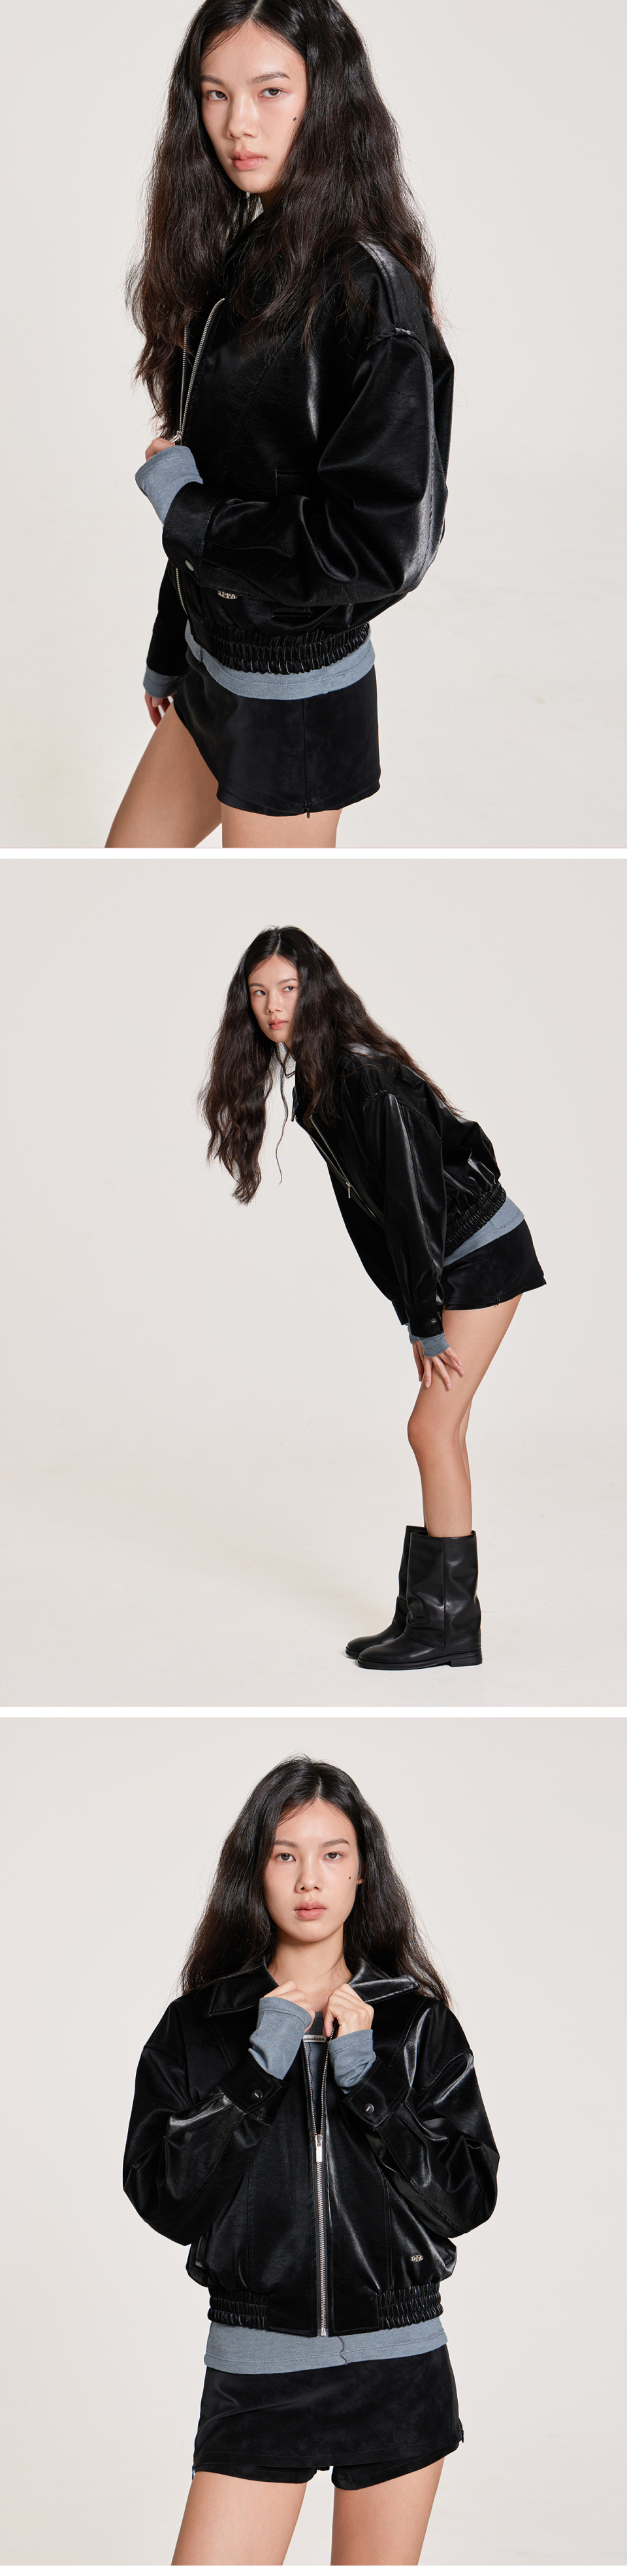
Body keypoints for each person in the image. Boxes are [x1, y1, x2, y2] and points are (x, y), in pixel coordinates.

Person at [123, 1754, 498, 2566]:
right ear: (254, 1869)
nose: (308, 1878)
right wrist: (258, 2069)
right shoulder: (200, 2025)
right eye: (285, 1853)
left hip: (399, 2367)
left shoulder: (416, 2023)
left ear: (362, 1870)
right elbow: (166, 2197)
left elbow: (467, 2195)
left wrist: (370, 2083)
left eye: (332, 1853)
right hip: (256, 2369)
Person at [106, 0, 453, 852]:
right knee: (120, 876)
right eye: (215, 94)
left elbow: (379, 549)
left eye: (270, 91)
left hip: (291, 703)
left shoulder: (368, 294)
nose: (239, 124)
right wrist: (171, 643)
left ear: (326, 97)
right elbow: (220, 472)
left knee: (270, 911)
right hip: (208, 666)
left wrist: (187, 509)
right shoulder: (243, 260)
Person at [201, 927, 546, 1667]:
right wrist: (412, 1311)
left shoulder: (366, 1077)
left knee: (431, 1428)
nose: (273, 1005)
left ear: (316, 988)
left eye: (287, 988)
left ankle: (448, 1626)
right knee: (441, 1427)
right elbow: (376, 1212)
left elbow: (414, 1204)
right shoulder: (319, 1079)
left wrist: (425, 1319)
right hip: (452, 1254)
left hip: (479, 1250)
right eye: (259, 993)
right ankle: (427, 1612)